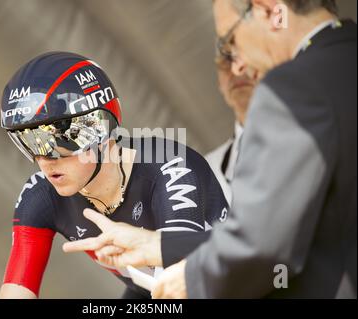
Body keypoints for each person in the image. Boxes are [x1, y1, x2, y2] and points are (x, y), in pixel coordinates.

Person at [65, 0, 357, 299]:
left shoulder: (294, 86)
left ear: (270, 9)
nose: (239, 63)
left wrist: (193, 278)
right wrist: (159, 246)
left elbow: (265, 243)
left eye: (230, 39)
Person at [0, 52, 228, 298]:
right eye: (27, 143)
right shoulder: (39, 195)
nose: (43, 160)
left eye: (53, 140)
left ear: (98, 127)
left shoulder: (171, 164)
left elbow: (185, 278)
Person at [205, 53, 256, 204]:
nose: (235, 70)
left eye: (245, 57)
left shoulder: (311, 141)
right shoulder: (204, 172)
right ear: (220, 84)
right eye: (225, 62)